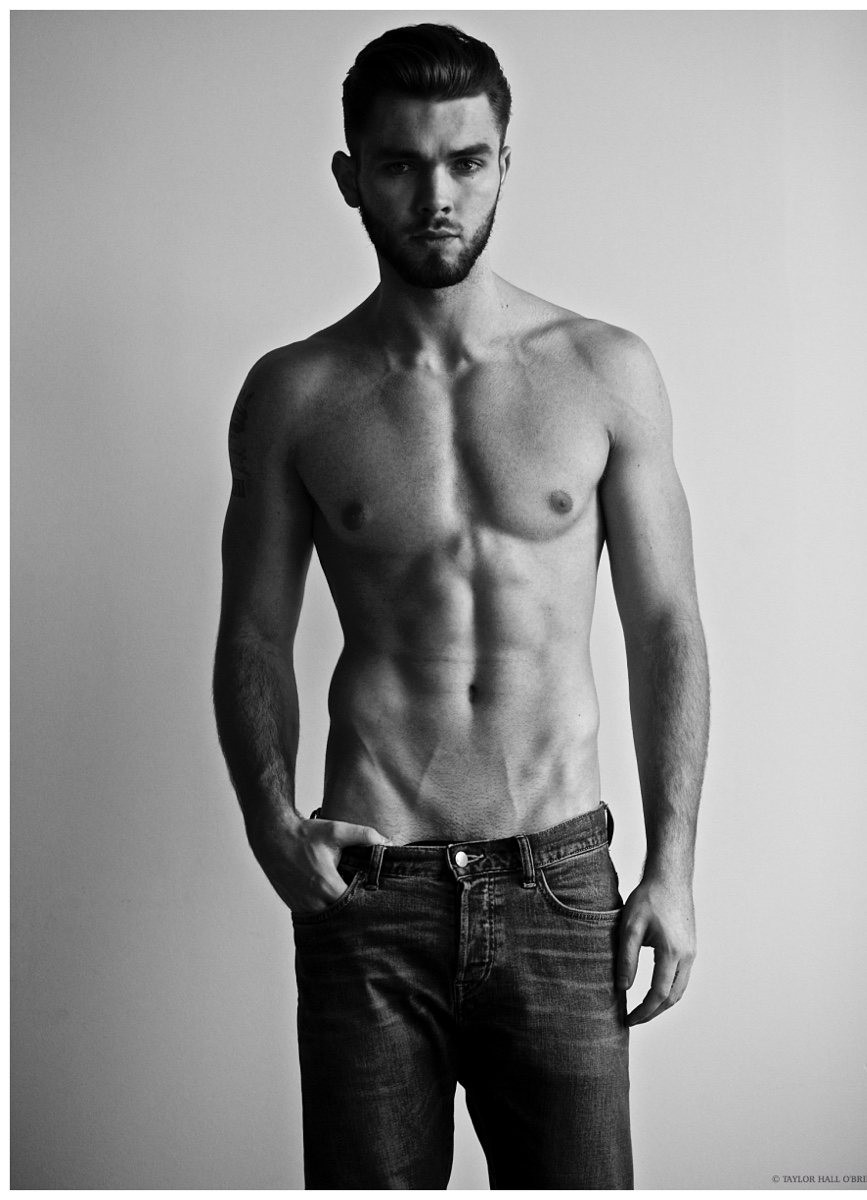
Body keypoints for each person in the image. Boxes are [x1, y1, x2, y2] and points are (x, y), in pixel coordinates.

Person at [213, 22, 709, 1190]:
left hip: (562, 881)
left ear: (503, 164)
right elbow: (253, 635)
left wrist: (675, 866)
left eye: (467, 161)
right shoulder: (294, 395)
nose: (437, 196)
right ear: (351, 179)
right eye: (400, 165)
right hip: (372, 887)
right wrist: (272, 825)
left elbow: (667, 628)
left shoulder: (605, 372)